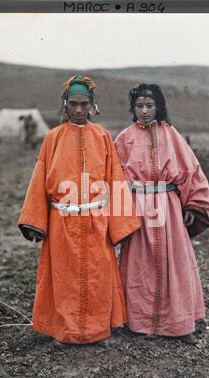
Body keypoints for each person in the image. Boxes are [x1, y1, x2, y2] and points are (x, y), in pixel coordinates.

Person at [18, 75, 140, 344]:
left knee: (97, 276)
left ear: (92, 105)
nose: (78, 110)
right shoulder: (53, 138)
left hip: (96, 221)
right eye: (73, 103)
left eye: (84, 104)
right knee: (63, 279)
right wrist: (35, 222)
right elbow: (39, 179)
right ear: (65, 105)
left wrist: (120, 223)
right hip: (62, 222)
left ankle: (99, 329)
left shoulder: (103, 137)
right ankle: (64, 331)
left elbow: (114, 179)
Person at [114, 84, 209, 344]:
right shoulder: (124, 138)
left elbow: (192, 170)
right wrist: (119, 214)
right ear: (133, 109)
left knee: (174, 263)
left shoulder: (171, 135)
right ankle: (139, 323)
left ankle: (181, 324)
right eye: (140, 106)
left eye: (150, 106)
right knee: (139, 265)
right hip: (138, 208)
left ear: (158, 107)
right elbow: (112, 177)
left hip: (168, 209)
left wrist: (193, 205)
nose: (145, 111)